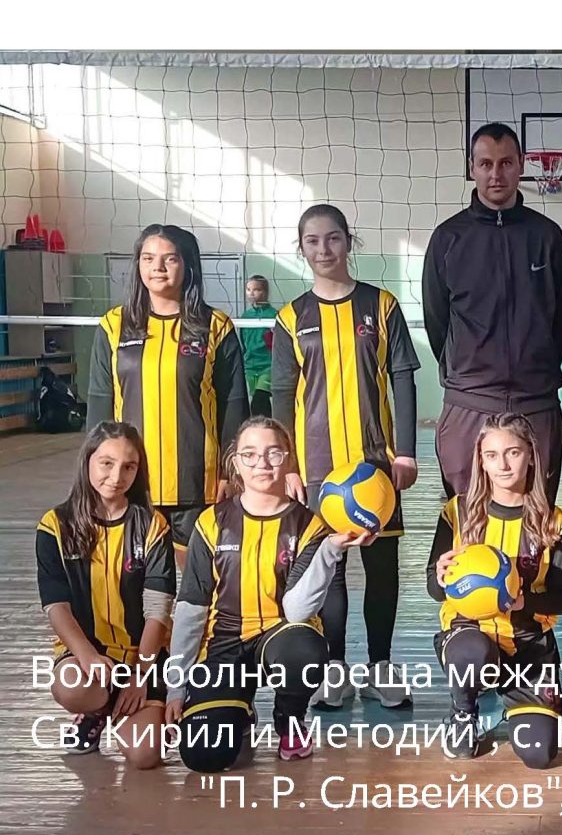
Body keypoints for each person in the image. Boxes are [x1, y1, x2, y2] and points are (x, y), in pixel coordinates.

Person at [272, 204, 420, 708]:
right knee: (330, 564)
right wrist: (289, 465)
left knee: (382, 565)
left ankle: (380, 665)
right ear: (302, 248)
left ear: (348, 242)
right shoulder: (291, 317)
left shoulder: (381, 305)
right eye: (313, 241)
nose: (324, 249)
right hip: (319, 466)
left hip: (375, 463)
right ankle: (334, 668)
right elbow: (281, 395)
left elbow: (403, 378)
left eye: (333, 238)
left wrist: (406, 453)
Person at [165, 417, 366, 771]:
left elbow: (297, 610)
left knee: (305, 651)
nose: (262, 463)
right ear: (236, 462)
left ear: (288, 459)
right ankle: (238, 710)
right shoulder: (211, 523)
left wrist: (331, 551)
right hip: (224, 643)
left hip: (282, 635)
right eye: (250, 454)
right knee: (204, 754)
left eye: (273, 453)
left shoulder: (310, 525)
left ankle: (290, 721)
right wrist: (177, 686)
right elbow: (191, 607)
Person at [422, 121, 562, 505]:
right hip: (469, 401)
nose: (496, 174)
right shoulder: (448, 238)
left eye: (506, 163)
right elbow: (437, 320)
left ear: (521, 164)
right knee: (467, 519)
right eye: (486, 164)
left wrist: (535, 366)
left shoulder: (547, 236)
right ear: (471, 168)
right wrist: (469, 372)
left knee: (536, 521)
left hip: (535, 402)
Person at [88, 224, 249, 565]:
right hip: (131, 482)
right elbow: (100, 405)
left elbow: (234, 406)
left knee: (202, 582)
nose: (157, 267)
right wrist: (93, 474)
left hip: (198, 483)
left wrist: (230, 472)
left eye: (169, 259)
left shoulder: (215, 326)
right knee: (137, 581)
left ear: (188, 265)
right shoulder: (113, 326)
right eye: (148, 258)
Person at [426, 413, 562, 767]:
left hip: (528, 644)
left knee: (539, 754)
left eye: (513, 453)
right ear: (481, 461)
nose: (503, 465)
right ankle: (464, 712)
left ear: (531, 456)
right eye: (491, 455)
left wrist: (525, 602)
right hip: (470, 634)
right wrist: (441, 576)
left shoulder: (552, 520)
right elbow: (434, 587)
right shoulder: (458, 511)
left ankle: (517, 700)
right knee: (471, 653)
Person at [36, 421, 176, 767]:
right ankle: (96, 711)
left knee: (145, 755)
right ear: (87, 461)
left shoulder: (152, 525)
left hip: (142, 655)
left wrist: (139, 676)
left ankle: (122, 706)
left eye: (129, 466)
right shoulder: (56, 525)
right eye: (106, 463)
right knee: (71, 685)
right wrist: (88, 658)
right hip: (89, 655)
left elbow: (158, 610)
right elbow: (56, 606)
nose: (116, 476)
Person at [239, 274, 277, 417]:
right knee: (256, 402)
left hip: (268, 365)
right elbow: (243, 342)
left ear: (265, 292)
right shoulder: (245, 317)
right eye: (248, 289)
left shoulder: (274, 315)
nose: (251, 293)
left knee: (259, 399)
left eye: (256, 289)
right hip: (250, 366)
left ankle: (267, 426)